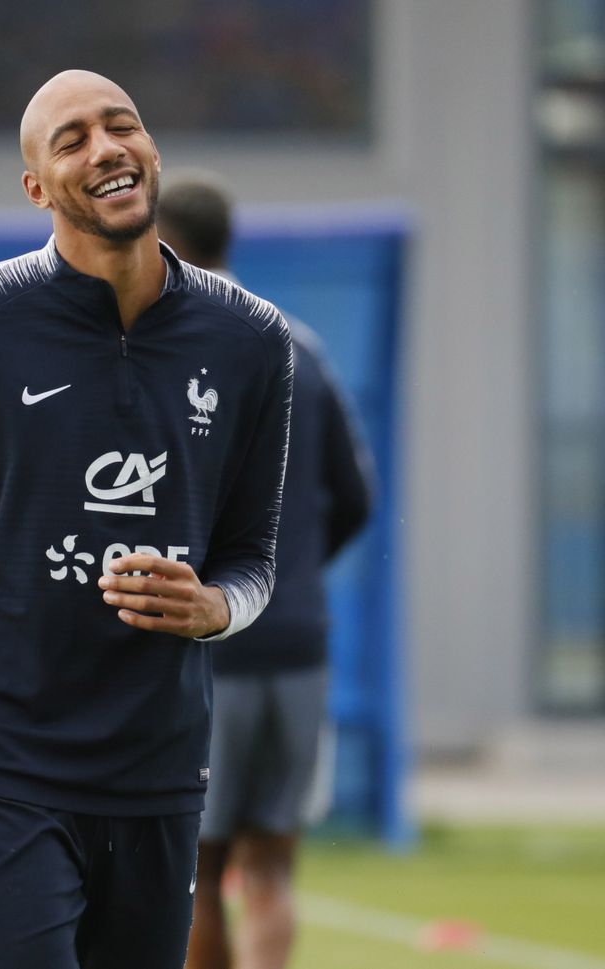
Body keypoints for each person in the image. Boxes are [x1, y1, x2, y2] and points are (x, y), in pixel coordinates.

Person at [0, 70, 293, 969]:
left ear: (151, 153)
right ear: (37, 188)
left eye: (124, 127)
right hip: (4, 764)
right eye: (72, 139)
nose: (107, 148)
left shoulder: (253, 339)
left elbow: (253, 559)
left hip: (160, 767)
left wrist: (215, 607)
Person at [158, 175, 373, 969]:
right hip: (300, 644)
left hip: (212, 642)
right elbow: (355, 495)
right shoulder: (303, 346)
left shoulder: (178, 343)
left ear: (165, 242)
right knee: (273, 864)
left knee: (200, 872)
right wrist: (293, 578)